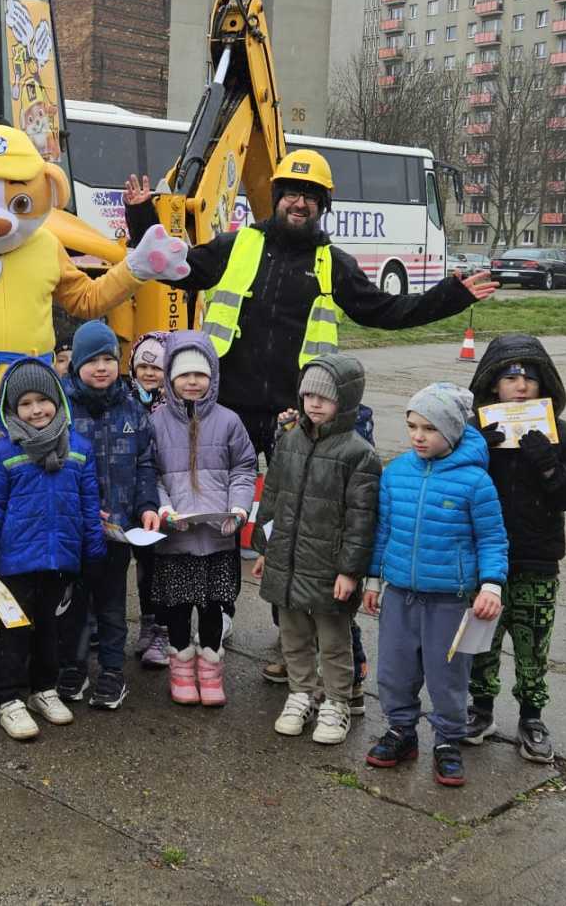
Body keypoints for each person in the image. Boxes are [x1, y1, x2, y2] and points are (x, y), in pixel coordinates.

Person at [125, 155, 498, 455]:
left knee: (290, 511)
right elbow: (177, 269)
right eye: (292, 193)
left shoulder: (334, 264)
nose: (300, 203)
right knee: (220, 503)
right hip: (227, 407)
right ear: (277, 197)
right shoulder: (236, 245)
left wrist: (451, 296)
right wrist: (142, 218)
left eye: (311, 197)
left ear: (322, 206)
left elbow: (386, 311)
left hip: (297, 413)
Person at [363, 383, 508, 787]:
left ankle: (447, 739)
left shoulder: (475, 482)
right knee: (394, 669)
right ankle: (401, 731)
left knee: (447, 675)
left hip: (449, 599)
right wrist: (373, 579)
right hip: (400, 594)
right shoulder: (396, 473)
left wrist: (491, 585)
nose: (418, 436)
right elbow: (383, 530)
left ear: (453, 431)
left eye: (430, 428)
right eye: (412, 426)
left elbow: (492, 539)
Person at [464, 335, 566, 764]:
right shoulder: (474, 435)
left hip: (537, 560)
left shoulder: (563, 435)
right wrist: (477, 451)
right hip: (483, 563)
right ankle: (480, 710)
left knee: (532, 645)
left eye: (530, 379)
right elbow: (451, 484)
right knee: (480, 642)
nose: (520, 386)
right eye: (510, 378)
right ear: (492, 384)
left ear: (544, 385)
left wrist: (548, 464)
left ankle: (532, 718)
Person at [0, 358, 105, 741]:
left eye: (43, 400)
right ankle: (9, 698)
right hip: (15, 561)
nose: (36, 410)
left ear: (57, 400)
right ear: (12, 409)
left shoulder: (79, 449)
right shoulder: (3, 452)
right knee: (15, 631)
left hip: (60, 558)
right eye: (25, 403)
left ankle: (44, 688)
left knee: (51, 629)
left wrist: (93, 551)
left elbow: (89, 505)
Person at [251, 355, 380, 745]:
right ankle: (301, 693)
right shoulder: (289, 442)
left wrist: (350, 571)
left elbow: (361, 520)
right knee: (293, 635)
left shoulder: (359, 454)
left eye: (325, 397)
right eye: (308, 396)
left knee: (334, 640)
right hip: (288, 561)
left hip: (329, 568)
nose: (315, 404)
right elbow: (272, 498)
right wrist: (265, 548)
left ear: (346, 400)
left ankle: (337, 701)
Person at [149, 331, 257, 708]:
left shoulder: (229, 421)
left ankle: (210, 671)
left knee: (214, 606)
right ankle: (181, 670)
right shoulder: (156, 423)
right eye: (184, 374)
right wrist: (163, 509)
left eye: (200, 374)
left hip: (218, 536)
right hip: (175, 537)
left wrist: (239, 508)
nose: (193, 381)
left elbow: (244, 468)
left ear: (213, 376)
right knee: (177, 608)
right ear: (170, 377)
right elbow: (150, 474)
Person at [57, 320, 161, 710]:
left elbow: (145, 464)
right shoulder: (62, 409)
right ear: (76, 363)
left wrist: (146, 507)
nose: (101, 368)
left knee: (113, 605)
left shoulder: (132, 408)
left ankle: (113, 672)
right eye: (92, 360)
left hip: (119, 530)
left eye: (108, 359)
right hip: (75, 529)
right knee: (74, 604)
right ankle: (73, 667)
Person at [126, 331, 171, 669]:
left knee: (160, 566)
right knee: (141, 564)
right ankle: (146, 622)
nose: (149, 373)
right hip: (132, 492)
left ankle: (162, 630)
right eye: (143, 366)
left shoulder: (175, 404)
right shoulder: (125, 400)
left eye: (157, 367)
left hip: (164, 492)